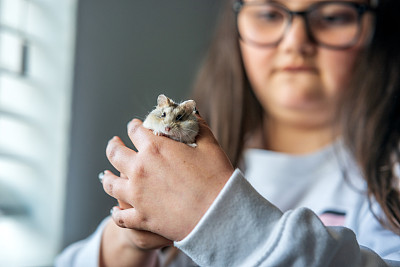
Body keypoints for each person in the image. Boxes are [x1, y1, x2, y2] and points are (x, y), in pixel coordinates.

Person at [56, 0, 400, 266]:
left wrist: (218, 217)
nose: (296, 42)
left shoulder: (391, 176)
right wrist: (128, 240)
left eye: (332, 16)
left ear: (373, 24)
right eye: (268, 14)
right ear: (236, 23)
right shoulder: (186, 163)